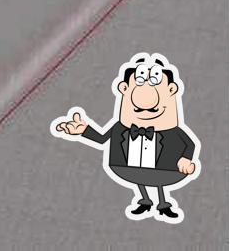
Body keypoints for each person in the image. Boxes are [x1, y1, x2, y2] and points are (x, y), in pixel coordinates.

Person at [53, 53, 199, 223]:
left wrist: (185, 159)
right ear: (124, 89)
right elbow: (102, 139)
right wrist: (83, 130)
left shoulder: (174, 132)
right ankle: (145, 201)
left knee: (157, 181)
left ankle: (163, 204)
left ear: (171, 90)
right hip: (128, 167)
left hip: (165, 170)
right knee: (140, 178)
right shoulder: (120, 128)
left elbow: (189, 144)